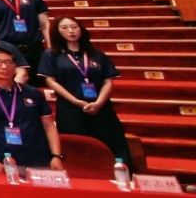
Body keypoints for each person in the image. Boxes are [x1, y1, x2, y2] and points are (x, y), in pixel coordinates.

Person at [40, 17, 133, 165]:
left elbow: (108, 81)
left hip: (100, 107)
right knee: (78, 150)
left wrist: (99, 102)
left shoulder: (96, 54)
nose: (71, 31)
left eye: (74, 27)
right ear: (57, 31)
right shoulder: (51, 55)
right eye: (64, 28)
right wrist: (76, 101)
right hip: (70, 108)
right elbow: (51, 81)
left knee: (114, 146)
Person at [0, 50, 63, 173]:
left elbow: (49, 125)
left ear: (15, 65)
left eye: (8, 62)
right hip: (3, 160)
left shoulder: (32, 92)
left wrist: (56, 156)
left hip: (40, 158)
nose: (4, 66)